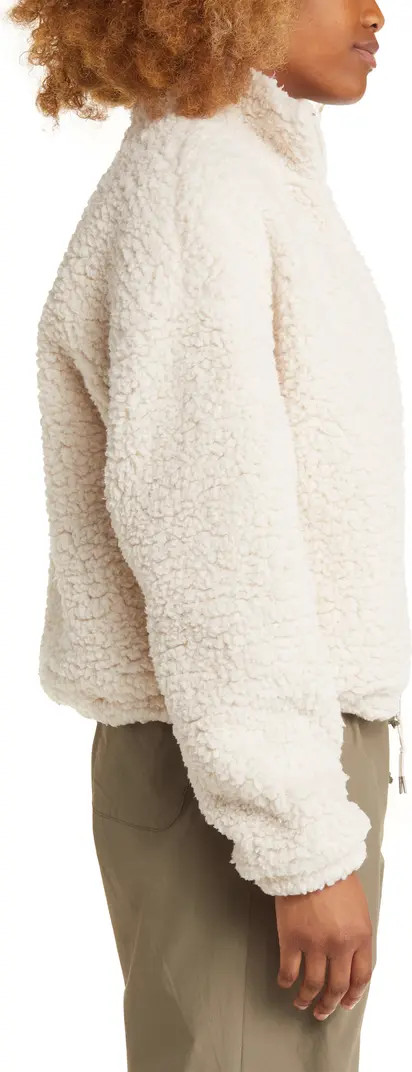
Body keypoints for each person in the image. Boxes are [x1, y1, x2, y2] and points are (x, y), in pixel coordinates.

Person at [9, 0, 410, 1069]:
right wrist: (296, 838)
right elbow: (209, 534)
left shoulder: (248, 179)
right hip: (237, 771)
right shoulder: (199, 183)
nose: (375, 12)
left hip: (251, 750)